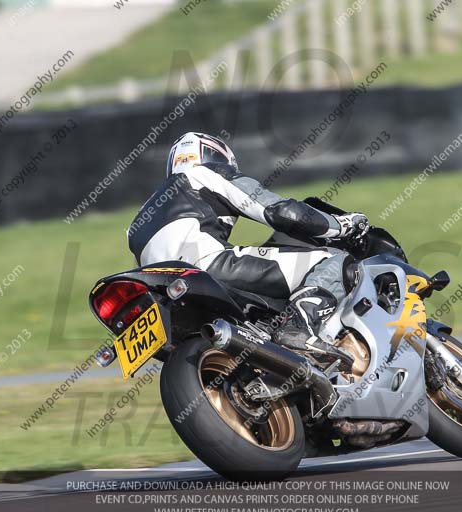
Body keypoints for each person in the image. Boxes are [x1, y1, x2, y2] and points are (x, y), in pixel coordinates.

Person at [127, 132, 368, 355]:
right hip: (204, 266)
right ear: (214, 155)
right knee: (335, 261)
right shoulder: (203, 174)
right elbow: (279, 211)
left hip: (164, 294)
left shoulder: (139, 218)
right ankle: (298, 328)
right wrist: (341, 225)